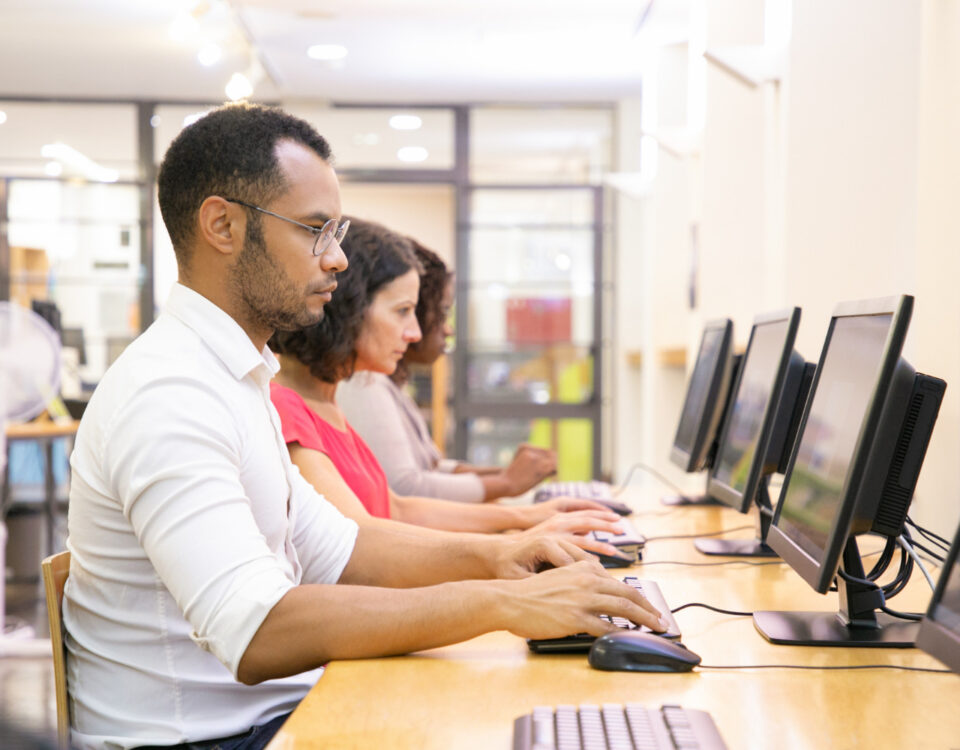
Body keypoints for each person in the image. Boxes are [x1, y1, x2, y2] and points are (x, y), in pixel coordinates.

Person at [63, 103, 665, 750]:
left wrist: (505, 558)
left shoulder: (236, 377)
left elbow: (347, 552)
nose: (338, 260)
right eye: (315, 230)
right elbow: (256, 629)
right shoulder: (170, 392)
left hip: (267, 717)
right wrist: (501, 602)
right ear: (222, 226)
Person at [268, 218, 624, 553]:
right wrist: (513, 547)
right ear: (351, 308)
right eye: (402, 311)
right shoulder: (292, 409)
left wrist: (529, 517)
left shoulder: (328, 404)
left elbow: (399, 509)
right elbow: (363, 546)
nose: (416, 332)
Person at [337, 239, 555, 502]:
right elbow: (404, 488)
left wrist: (508, 475)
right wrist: (506, 484)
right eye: (442, 313)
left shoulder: (386, 383)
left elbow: (429, 467)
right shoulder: (362, 383)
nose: (447, 328)